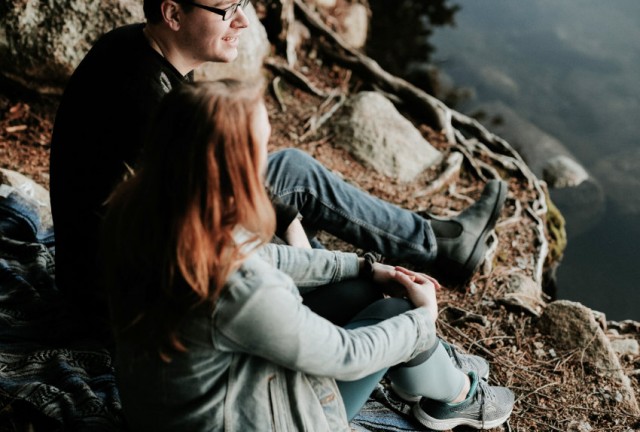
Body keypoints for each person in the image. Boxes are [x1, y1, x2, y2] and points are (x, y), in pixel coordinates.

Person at [49, 0, 506, 333]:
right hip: (119, 300)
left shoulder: (137, 49)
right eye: (227, 9)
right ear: (173, 14)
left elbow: (215, 180)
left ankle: (440, 243)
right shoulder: (143, 99)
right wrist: (299, 243)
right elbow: (210, 219)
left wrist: (287, 221)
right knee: (343, 281)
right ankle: (430, 253)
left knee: (290, 171)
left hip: (136, 253)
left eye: (241, 4)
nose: (243, 21)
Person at [100, 78, 514, 431]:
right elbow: (344, 355)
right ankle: (459, 395)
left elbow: (266, 258)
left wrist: (364, 266)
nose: (267, 160)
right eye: (260, 151)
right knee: (395, 317)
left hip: (177, 410)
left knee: (359, 289)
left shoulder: (149, 215)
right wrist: (423, 321)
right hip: (238, 416)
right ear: (232, 171)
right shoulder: (235, 288)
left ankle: (422, 374)